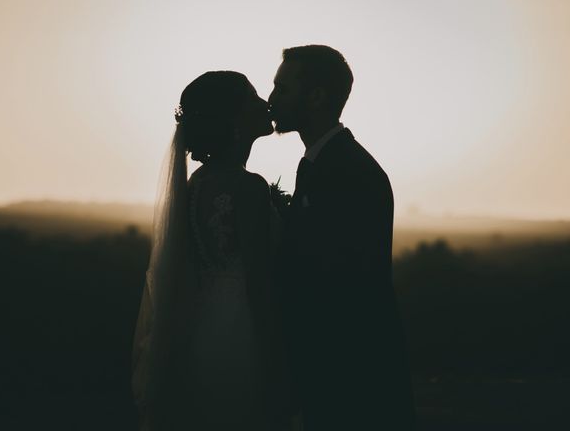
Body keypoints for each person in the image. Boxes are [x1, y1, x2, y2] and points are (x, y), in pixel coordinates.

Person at [132, 71, 291, 431]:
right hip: (243, 333)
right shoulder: (248, 187)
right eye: (253, 97)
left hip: (202, 330)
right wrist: (277, 361)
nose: (265, 102)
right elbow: (259, 284)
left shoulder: (196, 184)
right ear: (234, 119)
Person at [269, 45, 416, 429]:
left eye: (282, 89)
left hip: (352, 373)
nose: (270, 100)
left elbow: (343, 283)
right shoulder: (324, 163)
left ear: (316, 96)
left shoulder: (352, 172)